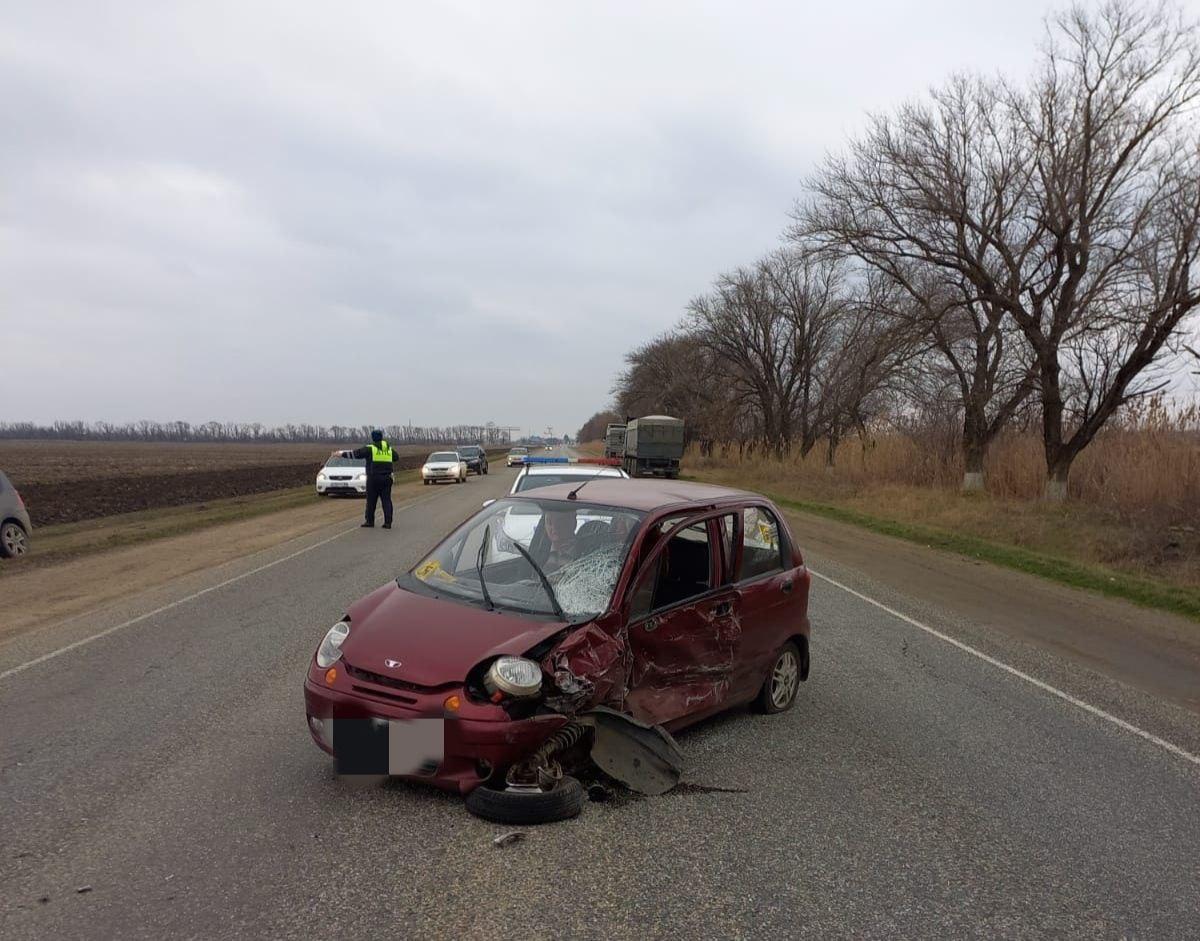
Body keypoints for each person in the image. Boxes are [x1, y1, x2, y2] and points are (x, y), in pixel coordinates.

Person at [332, 430, 400, 528]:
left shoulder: (370, 449)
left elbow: (356, 454)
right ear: (381, 437)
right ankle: (388, 522)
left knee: (371, 501)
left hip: (373, 478)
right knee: (386, 500)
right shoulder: (389, 449)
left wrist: (341, 454)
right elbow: (396, 458)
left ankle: (369, 521)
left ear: (373, 438)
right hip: (387, 478)